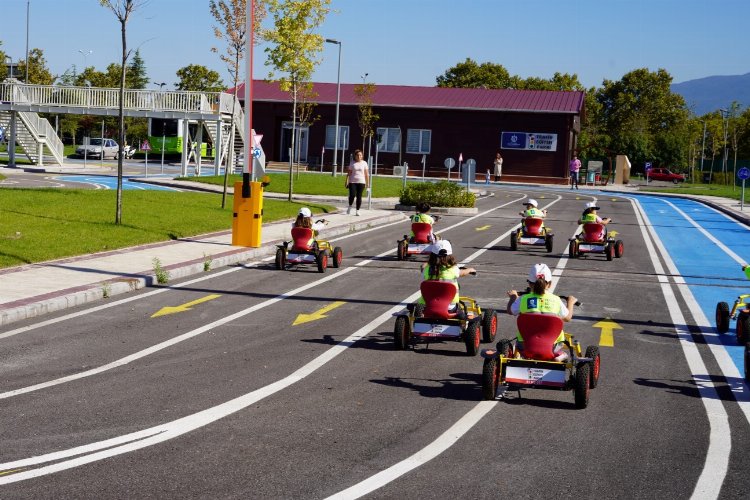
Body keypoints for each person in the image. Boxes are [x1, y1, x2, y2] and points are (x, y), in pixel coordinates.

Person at [506, 263, 577, 360]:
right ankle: (559, 354)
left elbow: (510, 311)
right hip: (552, 346)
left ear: (530, 284)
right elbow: (567, 317)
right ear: (549, 284)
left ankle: (521, 355)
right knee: (559, 340)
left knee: (518, 344)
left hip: (526, 345)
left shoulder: (523, 299)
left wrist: (513, 297)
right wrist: (570, 302)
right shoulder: (556, 300)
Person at [417, 240, 475, 313]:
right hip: (449, 309)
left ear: (432, 255)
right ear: (450, 256)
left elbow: (423, 267)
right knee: (463, 311)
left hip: (428, 307)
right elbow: (462, 273)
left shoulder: (427, 269)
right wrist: (470, 270)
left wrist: (429, 263)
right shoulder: (453, 269)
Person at [345, 149, 370, 216]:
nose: (359, 156)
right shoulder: (352, 163)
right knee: (352, 195)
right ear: (355, 156)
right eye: (358, 155)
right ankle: (350, 206)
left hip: (361, 182)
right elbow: (349, 173)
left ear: (362, 156)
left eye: (360, 155)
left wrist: (368, 184)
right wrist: (346, 181)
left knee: (359, 196)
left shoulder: (364, 163)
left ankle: (357, 210)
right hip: (352, 182)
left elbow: (366, 174)